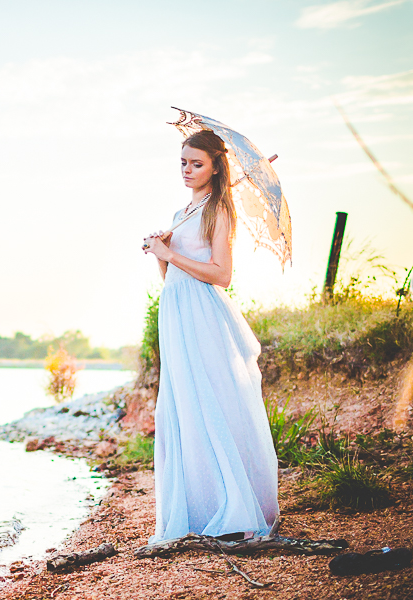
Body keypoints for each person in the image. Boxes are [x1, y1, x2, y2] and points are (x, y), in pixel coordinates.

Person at [141, 129, 279, 543]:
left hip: (202, 312)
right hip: (176, 311)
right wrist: (161, 254)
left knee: (211, 400)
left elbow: (222, 274)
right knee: (182, 407)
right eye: (183, 162)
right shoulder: (183, 210)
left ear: (216, 166)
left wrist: (172, 253)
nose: (187, 169)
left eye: (196, 163)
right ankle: (196, 509)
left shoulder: (220, 209)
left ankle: (233, 504)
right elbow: (173, 274)